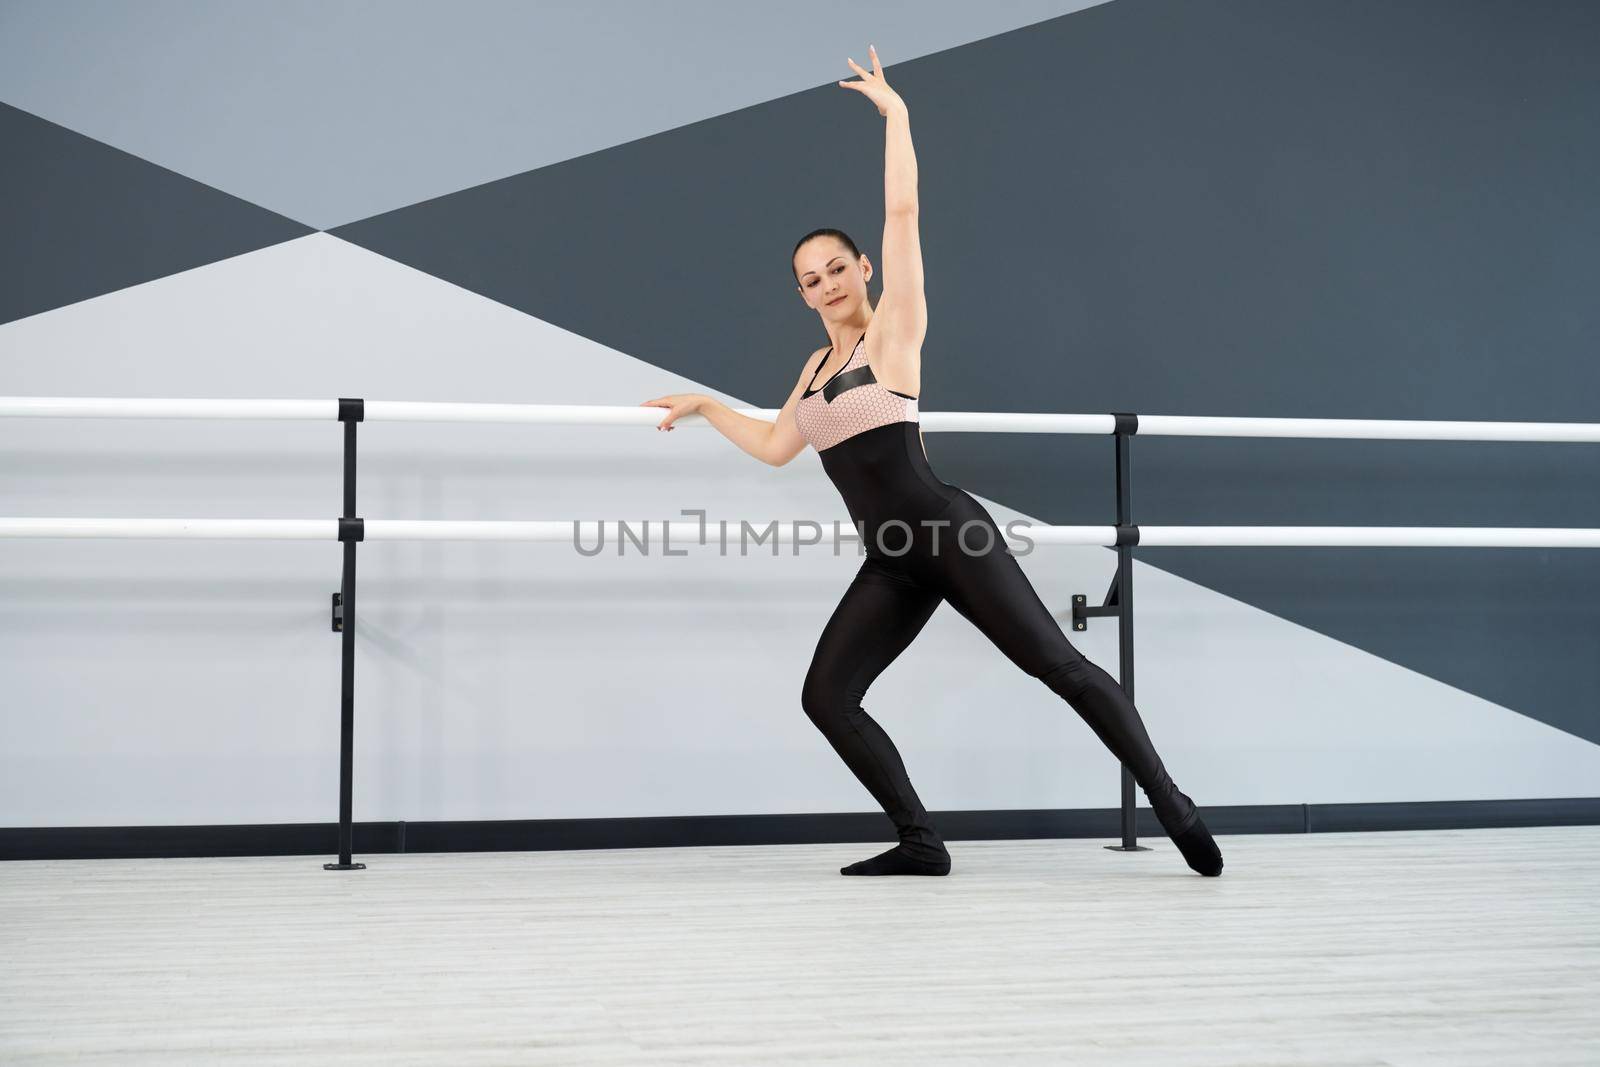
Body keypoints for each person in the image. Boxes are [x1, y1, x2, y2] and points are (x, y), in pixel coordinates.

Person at [642, 46, 1222, 879]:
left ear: (863, 269)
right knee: (826, 698)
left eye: (838, 267)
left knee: (1057, 665)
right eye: (811, 279)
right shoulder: (809, 374)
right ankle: (921, 840)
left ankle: (1173, 800)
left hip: (952, 533)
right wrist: (702, 405)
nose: (828, 282)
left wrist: (897, 117)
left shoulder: (894, 334)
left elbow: (904, 212)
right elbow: (776, 448)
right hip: (892, 563)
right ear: (801, 295)